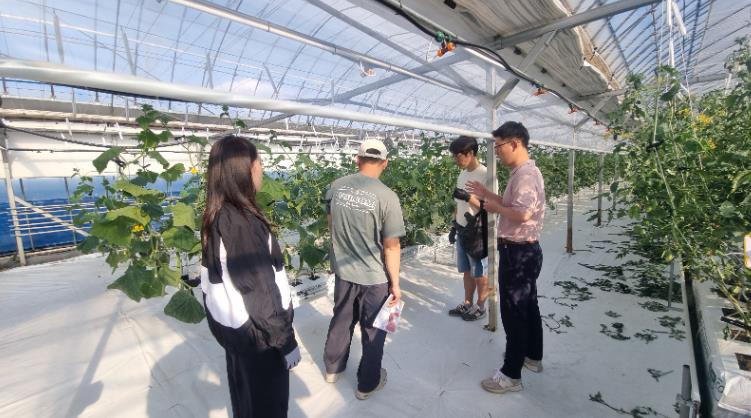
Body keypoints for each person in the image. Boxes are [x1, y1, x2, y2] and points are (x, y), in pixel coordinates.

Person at [200, 135, 300, 417]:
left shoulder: (219, 213)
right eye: (260, 163)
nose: (262, 170)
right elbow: (260, 291)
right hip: (260, 339)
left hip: (239, 334)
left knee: (247, 404)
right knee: (267, 408)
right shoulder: (242, 222)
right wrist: (285, 342)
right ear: (246, 169)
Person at [465, 121, 545, 394]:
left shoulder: (525, 176)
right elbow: (515, 205)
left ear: (515, 143)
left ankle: (511, 375)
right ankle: (532, 356)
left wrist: (494, 207)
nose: (497, 152)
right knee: (528, 306)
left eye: (499, 146)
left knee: (513, 313)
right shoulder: (523, 172)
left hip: (518, 253)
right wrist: (489, 195)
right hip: (525, 251)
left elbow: (523, 214)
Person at [322, 139, 406, 400]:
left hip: (344, 272)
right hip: (374, 278)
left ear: (357, 159)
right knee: (374, 330)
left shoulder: (336, 186)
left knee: (341, 320)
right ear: (385, 163)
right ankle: (367, 384)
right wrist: (395, 284)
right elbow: (391, 246)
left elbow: (331, 223)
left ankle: (333, 369)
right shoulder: (388, 197)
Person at [447, 136, 490, 321]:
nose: (455, 159)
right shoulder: (462, 174)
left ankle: (481, 307)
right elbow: (459, 204)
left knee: (479, 271)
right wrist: (453, 225)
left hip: (477, 231)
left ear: (471, 153)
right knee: (466, 270)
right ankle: (467, 303)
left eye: (458, 155)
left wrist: (468, 197)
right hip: (462, 229)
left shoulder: (486, 174)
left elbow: (491, 206)